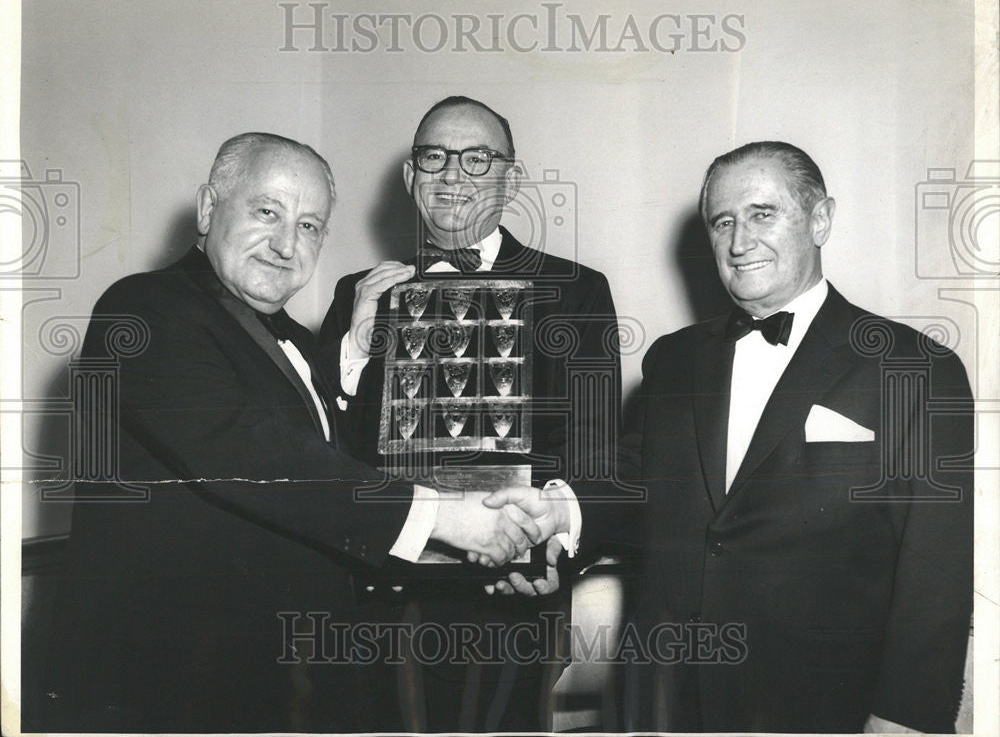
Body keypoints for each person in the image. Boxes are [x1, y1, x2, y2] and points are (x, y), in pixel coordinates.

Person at [32, 133, 543, 733]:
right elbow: (258, 456)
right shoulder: (144, 308)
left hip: (280, 679)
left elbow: (334, 456)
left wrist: (352, 351)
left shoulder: (297, 340)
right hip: (168, 687)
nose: (284, 244)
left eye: (308, 226)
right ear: (206, 209)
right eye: (266, 212)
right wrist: (446, 518)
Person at [618, 142, 974, 732]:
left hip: (829, 708)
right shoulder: (672, 360)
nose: (738, 242)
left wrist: (907, 715)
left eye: (763, 213)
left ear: (820, 220)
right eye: (723, 221)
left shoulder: (914, 367)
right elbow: (634, 492)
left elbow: (935, 566)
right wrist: (558, 530)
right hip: (670, 701)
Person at [319, 96, 624, 731]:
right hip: (379, 597)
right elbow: (324, 450)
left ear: (511, 180)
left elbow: (594, 449)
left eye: (478, 159)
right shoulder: (358, 293)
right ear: (411, 177)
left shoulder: (576, 290)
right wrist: (352, 349)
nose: (453, 174)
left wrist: (553, 555)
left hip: (510, 600)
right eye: (434, 157)